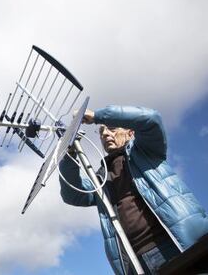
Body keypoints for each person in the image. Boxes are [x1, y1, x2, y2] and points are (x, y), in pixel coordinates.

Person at [59, 105, 208, 274]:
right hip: (136, 262)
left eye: (112, 129)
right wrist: (69, 155)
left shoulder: (146, 152)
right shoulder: (101, 179)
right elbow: (72, 194)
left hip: (176, 245)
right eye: (101, 133)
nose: (106, 134)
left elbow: (151, 119)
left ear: (131, 133)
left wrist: (97, 117)